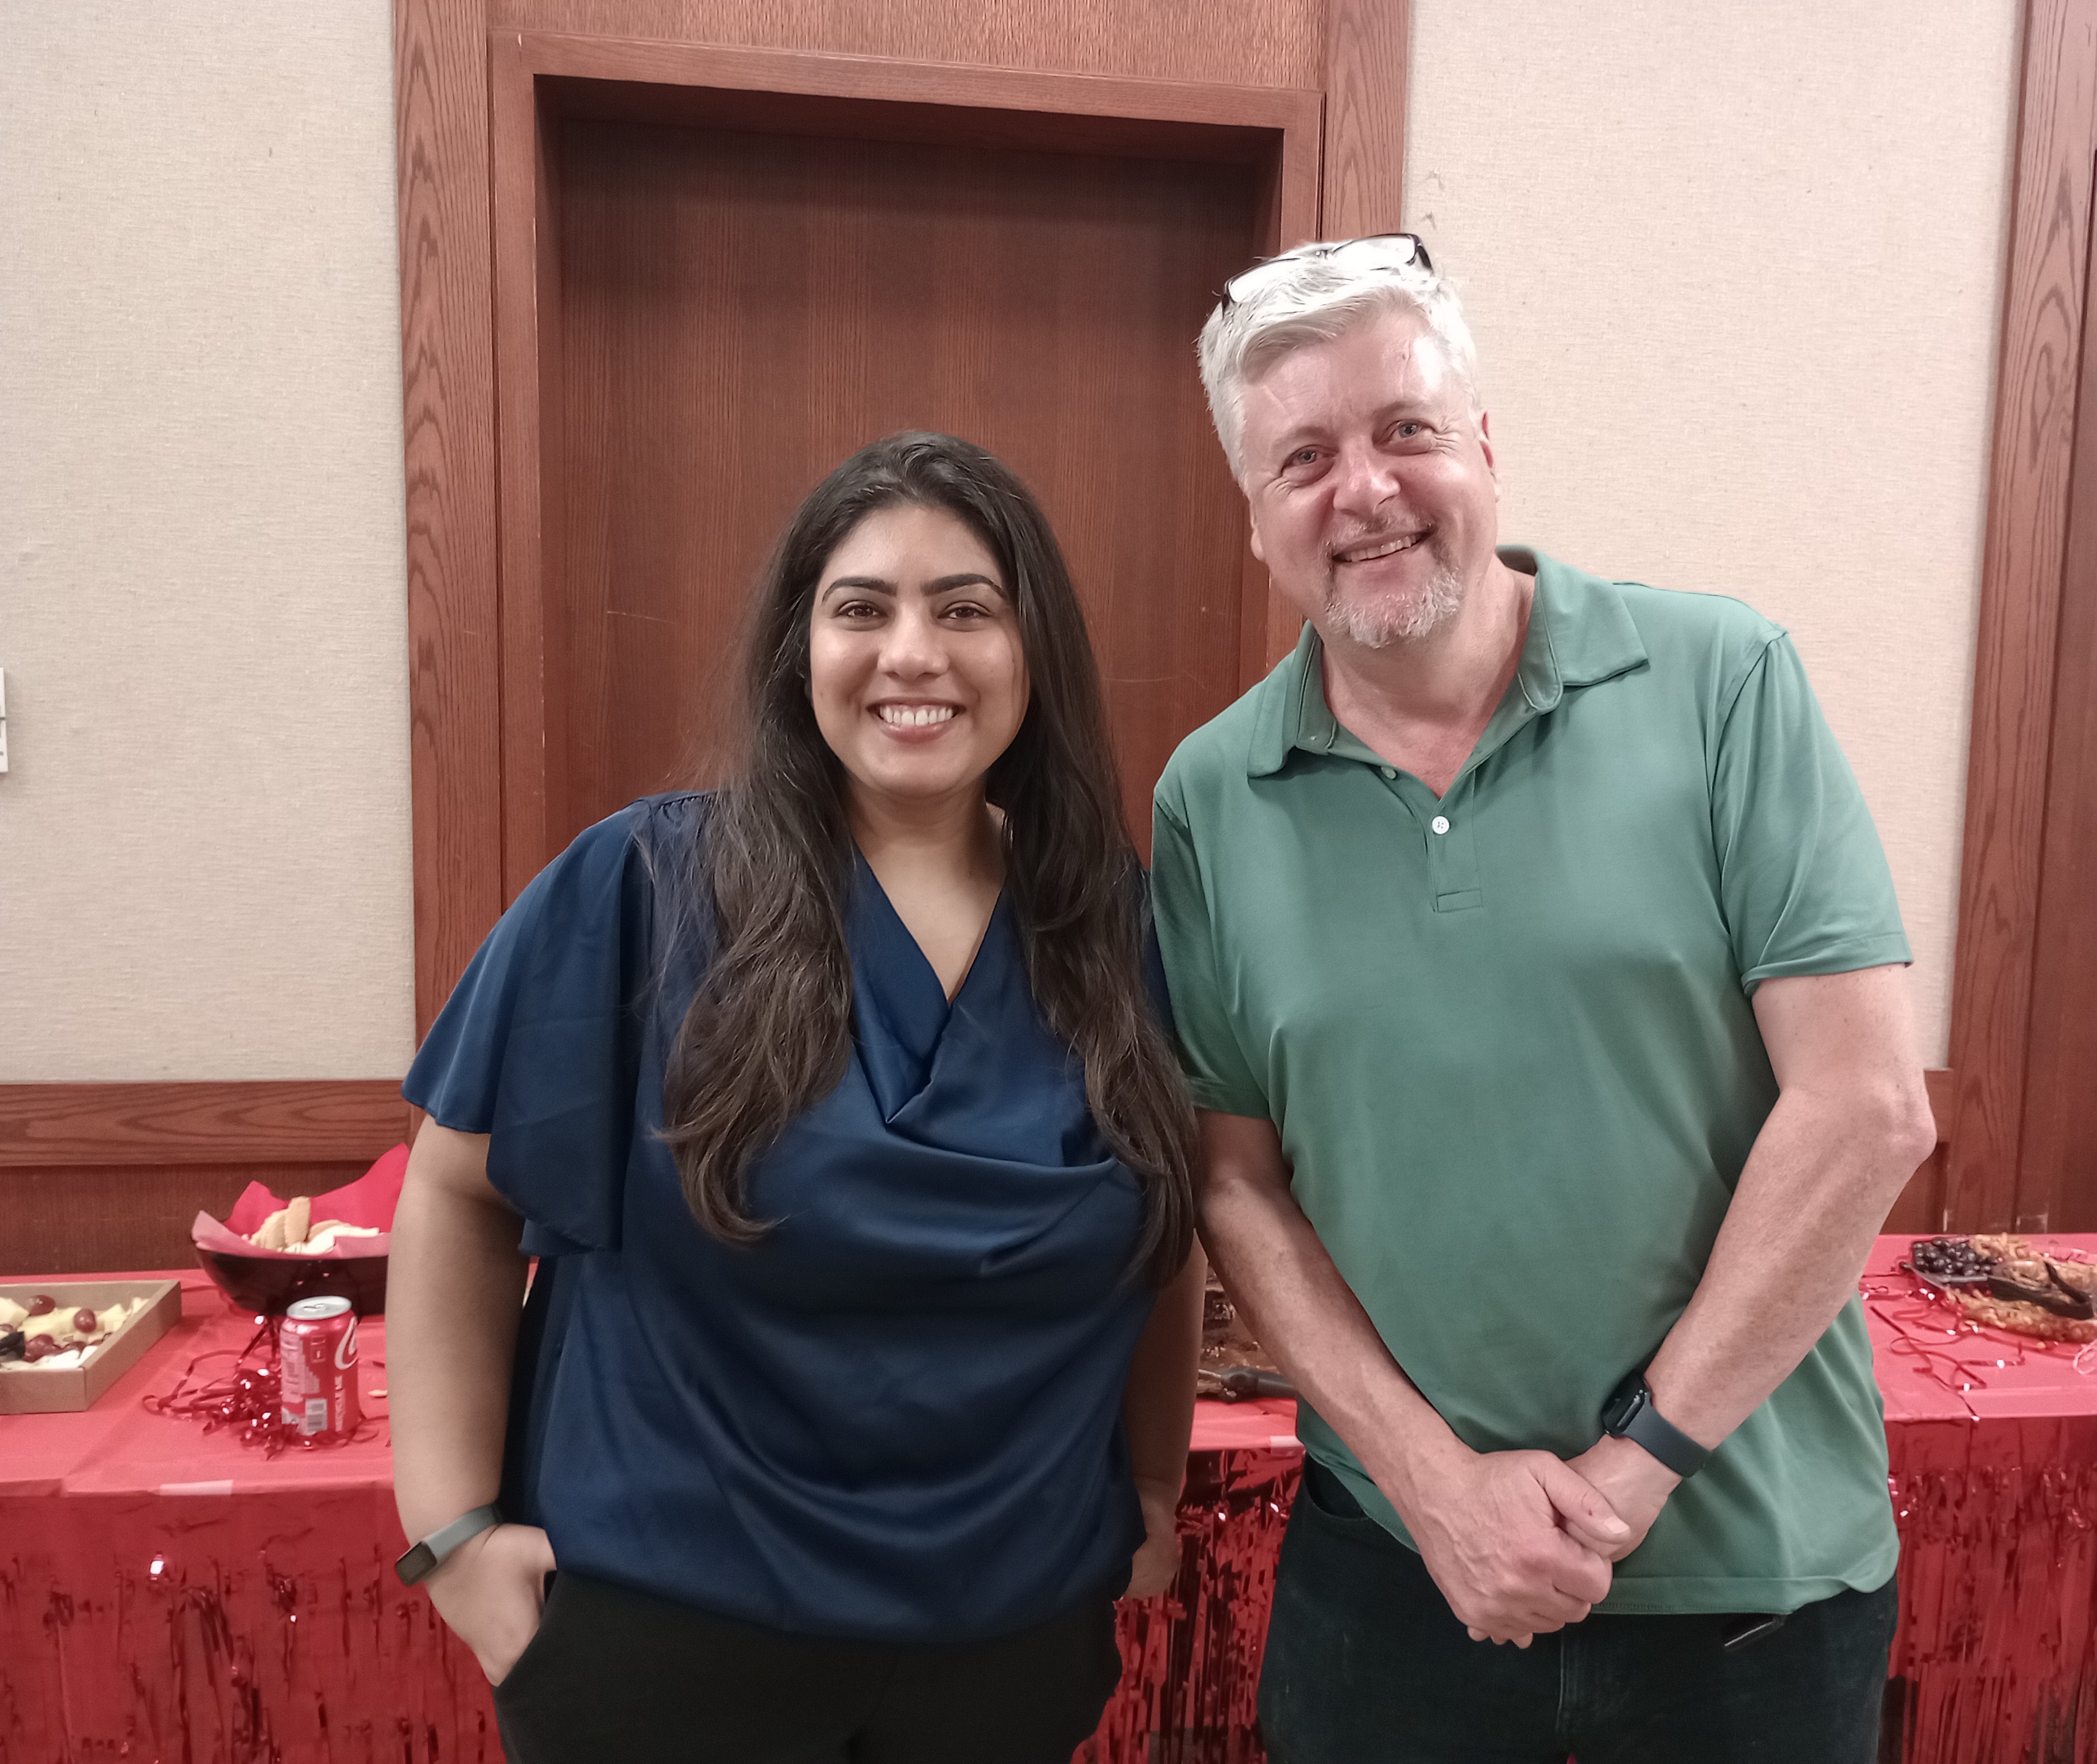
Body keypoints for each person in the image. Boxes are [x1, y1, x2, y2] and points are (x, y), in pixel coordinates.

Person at [1150, 236, 1938, 1763]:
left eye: (1405, 431)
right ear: (1256, 520)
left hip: (1754, 1594)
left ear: (1486, 446)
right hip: (1394, 1589)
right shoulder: (1213, 796)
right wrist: (1441, 1491)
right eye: (1302, 457)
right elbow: (1234, 1187)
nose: (1364, 490)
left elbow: (1863, 1105)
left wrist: (1633, 1471)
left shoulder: (1722, 683)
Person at [388, 432, 1205, 1763]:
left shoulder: (1121, 933)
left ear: (1033, 651)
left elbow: (1157, 1236)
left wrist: (1157, 1485)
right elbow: (454, 1192)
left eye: (966, 609)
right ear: (800, 649)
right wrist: (455, 1533)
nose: (912, 655)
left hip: (1013, 1643)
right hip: (662, 1640)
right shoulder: (642, 890)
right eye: (861, 609)